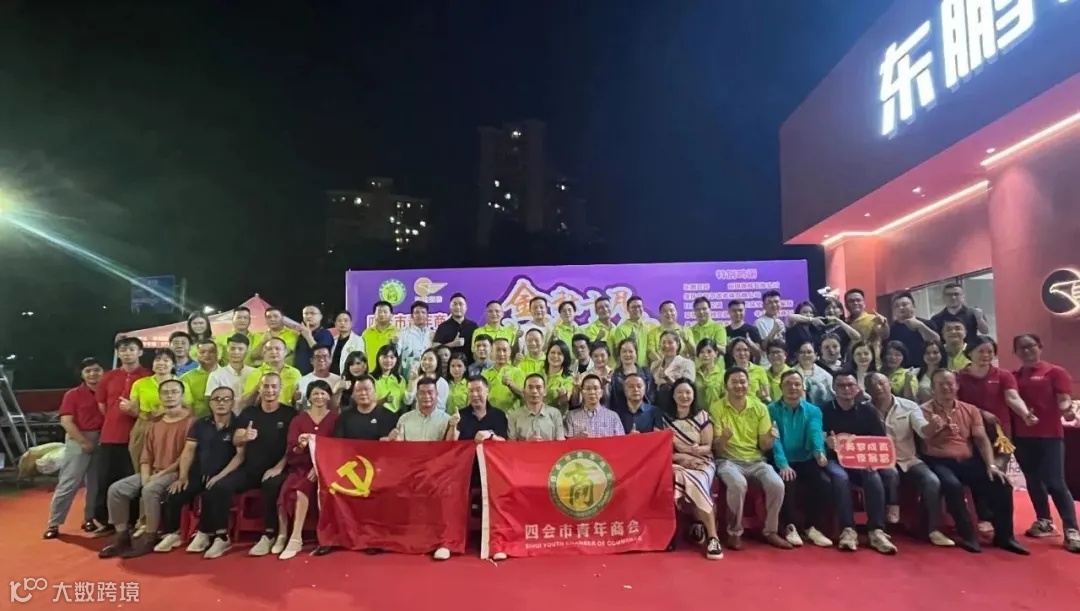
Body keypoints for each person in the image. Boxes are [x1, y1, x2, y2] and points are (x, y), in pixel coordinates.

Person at [919, 370, 1027, 554]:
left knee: (1001, 483)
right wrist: (939, 431)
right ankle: (968, 535)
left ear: (957, 386)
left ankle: (1005, 537)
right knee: (952, 485)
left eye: (949, 383)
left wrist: (991, 465)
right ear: (932, 388)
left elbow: (981, 439)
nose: (946, 387)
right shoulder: (923, 411)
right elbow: (925, 440)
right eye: (940, 384)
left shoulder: (970, 410)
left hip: (967, 460)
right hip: (938, 461)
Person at [204, 373, 297, 558]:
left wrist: (279, 467)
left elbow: (292, 447)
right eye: (266, 386)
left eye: (274, 386)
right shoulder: (249, 413)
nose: (270, 390)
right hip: (250, 469)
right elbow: (236, 439)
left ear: (280, 389)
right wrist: (243, 437)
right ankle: (221, 537)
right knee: (220, 486)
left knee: (271, 485)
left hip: (278, 469)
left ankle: (269, 534)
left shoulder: (290, 414)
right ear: (259, 389)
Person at [99, 379, 192, 558]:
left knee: (150, 490)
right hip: (153, 471)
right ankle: (122, 536)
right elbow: (146, 456)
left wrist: (157, 477)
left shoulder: (191, 422)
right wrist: (145, 477)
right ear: (160, 397)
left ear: (182, 395)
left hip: (175, 472)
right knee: (116, 489)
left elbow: (185, 456)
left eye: (174, 392)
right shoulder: (154, 424)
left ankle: (151, 537)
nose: (170, 396)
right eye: (165, 393)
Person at [866, 372, 953, 547]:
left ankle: (932, 529)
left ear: (890, 384)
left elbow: (923, 431)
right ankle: (888, 513)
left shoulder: (909, 406)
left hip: (908, 459)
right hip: (881, 461)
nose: (878, 387)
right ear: (867, 389)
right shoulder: (864, 409)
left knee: (932, 481)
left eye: (882, 383)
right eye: (873, 385)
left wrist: (933, 426)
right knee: (890, 473)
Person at [156, 386, 245, 558]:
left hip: (224, 474)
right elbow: (188, 450)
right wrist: (183, 477)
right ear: (210, 403)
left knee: (211, 493)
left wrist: (220, 476)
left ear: (232, 403)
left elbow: (240, 456)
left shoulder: (239, 425)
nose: (221, 403)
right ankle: (173, 533)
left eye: (226, 399)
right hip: (200, 473)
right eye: (217, 399)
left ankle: (213, 535)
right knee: (174, 493)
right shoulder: (201, 424)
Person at [1011, 333, 1079, 552]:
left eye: (1031, 346)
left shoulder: (1055, 372)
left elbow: (1064, 399)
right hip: (1022, 437)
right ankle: (1044, 521)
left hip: (1050, 436)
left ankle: (1072, 530)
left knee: (1055, 482)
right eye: (1021, 348)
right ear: (1016, 352)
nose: (1026, 351)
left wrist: (1067, 410)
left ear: (1040, 347)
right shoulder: (1013, 376)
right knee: (1033, 481)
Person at [710, 367, 790, 550]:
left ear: (748, 384)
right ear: (726, 386)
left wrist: (770, 438)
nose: (739, 385)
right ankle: (734, 532)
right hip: (727, 460)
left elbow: (764, 446)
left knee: (777, 484)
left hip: (756, 460)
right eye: (734, 382)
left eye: (742, 382)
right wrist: (724, 438)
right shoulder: (717, 408)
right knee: (738, 484)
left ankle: (770, 531)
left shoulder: (760, 407)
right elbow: (716, 448)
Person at [821, 371, 898, 554]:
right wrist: (826, 442)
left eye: (850, 385)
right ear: (834, 388)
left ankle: (876, 531)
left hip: (862, 460)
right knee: (840, 478)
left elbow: (880, 441)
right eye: (841, 385)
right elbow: (816, 437)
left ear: (857, 388)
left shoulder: (868, 411)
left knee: (873, 476)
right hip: (834, 459)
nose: (846, 389)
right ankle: (848, 529)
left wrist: (874, 460)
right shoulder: (824, 411)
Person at [92, 337, 150, 537]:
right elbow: (102, 406)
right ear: (118, 353)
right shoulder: (108, 377)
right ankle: (105, 521)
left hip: (136, 438)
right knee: (105, 480)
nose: (127, 353)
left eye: (132, 349)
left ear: (140, 352)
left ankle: (133, 521)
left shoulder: (148, 376)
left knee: (132, 481)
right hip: (110, 436)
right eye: (123, 350)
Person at [768, 371, 833, 548]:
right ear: (780, 387)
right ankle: (789, 526)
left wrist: (819, 452)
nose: (793, 388)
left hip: (805, 458)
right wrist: (783, 464)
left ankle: (812, 527)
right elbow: (775, 439)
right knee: (787, 480)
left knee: (823, 481)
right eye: (788, 384)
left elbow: (815, 431)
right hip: (781, 459)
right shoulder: (771, 409)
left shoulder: (813, 410)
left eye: (797, 384)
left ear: (803, 387)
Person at [662, 378, 724, 560]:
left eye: (688, 392)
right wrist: (681, 457)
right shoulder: (665, 419)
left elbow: (707, 447)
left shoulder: (702, 417)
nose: (684, 396)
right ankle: (693, 528)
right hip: (676, 462)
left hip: (702, 462)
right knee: (676, 475)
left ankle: (713, 537)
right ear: (673, 396)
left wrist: (693, 452)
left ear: (694, 395)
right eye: (680, 392)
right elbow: (664, 449)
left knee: (698, 480)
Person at [277, 380, 339, 560]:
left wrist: (319, 467)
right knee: (288, 488)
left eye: (323, 393)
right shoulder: (299, 420)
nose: (319, 397)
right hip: (301, 466)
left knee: (302, 487)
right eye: (315, 393)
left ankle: (296, 538)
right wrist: (300, 446)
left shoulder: (336, 419)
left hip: (326, 469)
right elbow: (292, 449)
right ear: (309, 397)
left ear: (329, 396)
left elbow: (337, 448)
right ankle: (283, 535)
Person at [44, 358, 105, 539]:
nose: (93, 374)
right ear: (82, 374)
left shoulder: (108, 392)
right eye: (88, 371)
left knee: (95, 483)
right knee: (69, 482)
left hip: (103, 438)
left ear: (103, 372)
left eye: (96, 370)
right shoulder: (73, 394)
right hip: (78, 438)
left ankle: (90, 519)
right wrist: (83, 442)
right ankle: (54, 523)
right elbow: (66, 421)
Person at [241, 337, 303, 409]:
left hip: (289, 412)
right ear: (264, 353)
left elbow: (299, 400)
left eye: (277, 349)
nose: (273, 352)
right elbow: (246, 403)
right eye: (269, 349)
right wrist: (257, 388)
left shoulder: (295, 373)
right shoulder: (255, 373)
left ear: (285, 352)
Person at [449, 376, 509, 443]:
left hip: (490, 450)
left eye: (478, 390)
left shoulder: (499, 415)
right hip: (468, 450)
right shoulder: (461, 415)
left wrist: (491, 436)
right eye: (471, 391)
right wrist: (452, 426)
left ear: (487, 391)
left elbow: (504, 442)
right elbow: (451, 443)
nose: (474, 394)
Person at [206, 334, 257, 413]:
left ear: (247, 351)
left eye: (240, 349)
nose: (236, 352)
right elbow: (212, 402)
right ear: (227, 350)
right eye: (232, 348)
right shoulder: (215, 375)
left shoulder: (255, 373)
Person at [507, 374, 565, 441]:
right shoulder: (514, 416)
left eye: (538, 387)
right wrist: (528, 444)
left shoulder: (555, 413)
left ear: (545, 391)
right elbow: (511, 444)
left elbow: (560, 442)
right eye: (530, 387)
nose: (534, 391)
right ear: (524, 391)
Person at [393, 378, 452, 442]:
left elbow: (452, 445)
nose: (426, 396)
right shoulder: (404, 419)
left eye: (430, 392)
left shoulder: (447, 420)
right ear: (417, 395)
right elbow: (398, 444)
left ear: (436, 394)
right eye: (422, 393)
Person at [433, 293, 477, 363]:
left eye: (461, 304)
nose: (458, 307)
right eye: (454, 304)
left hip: (470, 366)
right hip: (449, 366)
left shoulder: (473, 326)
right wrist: (452, 344)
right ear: (450, 307)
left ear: (466, 307)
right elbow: (435, 349)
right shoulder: (443, 326)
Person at [329, 310, 365, 376]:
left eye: (346, 320)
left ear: (351, 323)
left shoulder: (358, 340)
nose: (342, 323)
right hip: (332, 377)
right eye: (339, 321)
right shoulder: (333, 340)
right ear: (335, 324)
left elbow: (359, 361)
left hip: (349, 377)